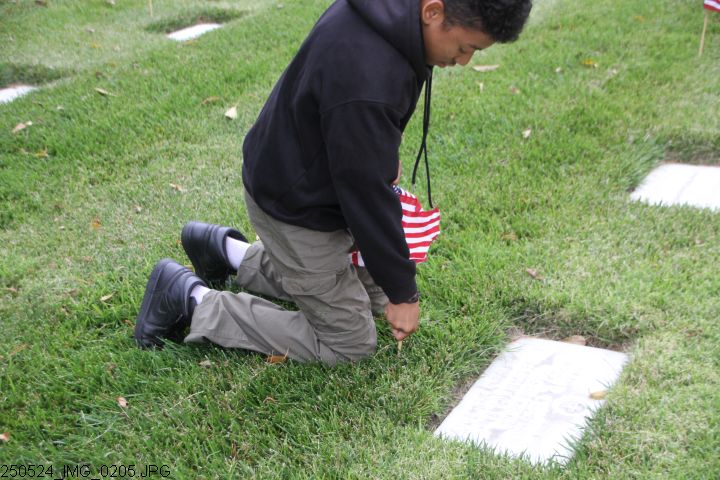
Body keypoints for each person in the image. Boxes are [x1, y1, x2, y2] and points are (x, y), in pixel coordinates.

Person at [133, 0, 532, 365]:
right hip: (296, 206)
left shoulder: (391, 15)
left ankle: (225, 252)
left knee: (371, 297)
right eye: (465, 48)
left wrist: (378, 153)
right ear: (433, 12)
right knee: (350, 341)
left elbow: (358, 147)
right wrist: (404, 294)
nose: (463, 61)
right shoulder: (370, 76)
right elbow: (366, 197)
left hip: (304, 177)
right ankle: (192, 299)